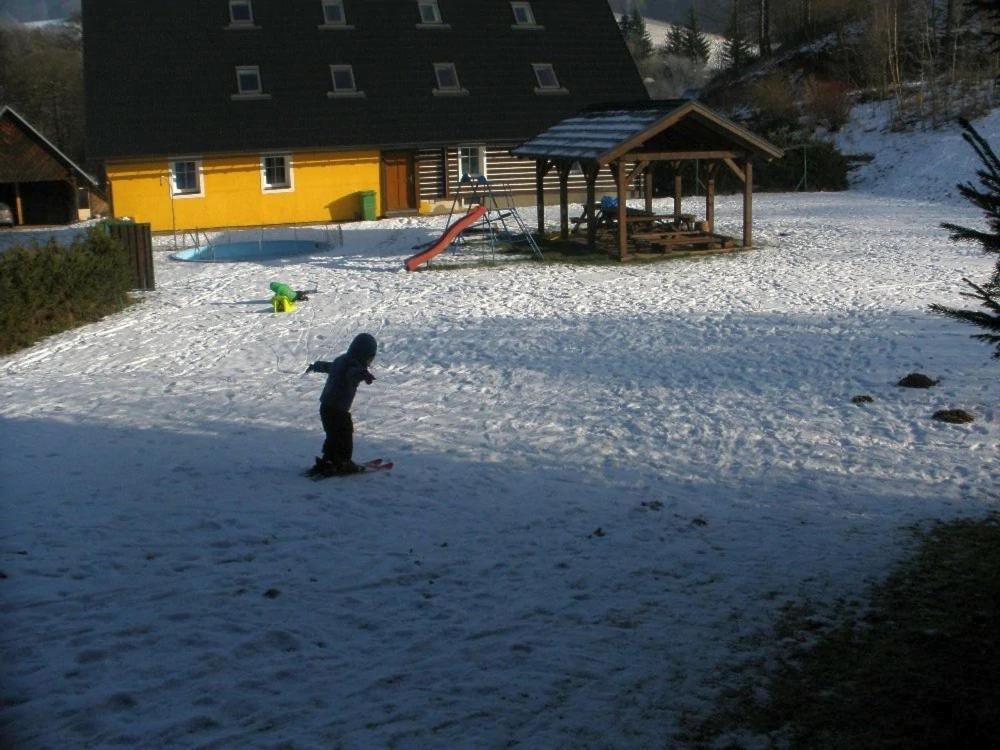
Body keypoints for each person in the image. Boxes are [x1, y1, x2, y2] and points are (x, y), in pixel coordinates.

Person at [306, 333, 378, 475]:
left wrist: (316, 366)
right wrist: (364, 375)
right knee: (344, 434)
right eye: (370, 357)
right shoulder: (353, 366)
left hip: (326, 407)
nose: (369, 362)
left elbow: (329, 367)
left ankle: (329, 460)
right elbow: (352, 373)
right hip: (338, 409)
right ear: (363, 354)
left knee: (333, 435)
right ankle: (343, 462)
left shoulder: (341, 360)